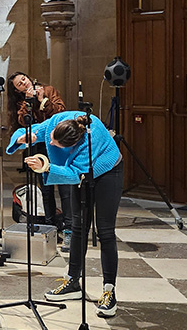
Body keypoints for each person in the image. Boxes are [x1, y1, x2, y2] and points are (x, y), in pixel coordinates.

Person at [7, 112, 123, 317]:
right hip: (82, 172)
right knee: (78, 227)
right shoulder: (58, 122)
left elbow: (75, 173)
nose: (50, 142)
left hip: (108, 171)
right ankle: (72, 281)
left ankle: (109, 291)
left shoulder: (89, 141)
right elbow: (34, 130)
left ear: (72, 145)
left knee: (105, 231)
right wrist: (23, 137)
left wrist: (47, 166)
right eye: (51, 136)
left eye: (56, 144)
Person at [6, 71, 72, 242]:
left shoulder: (49, 90)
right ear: (17, 91)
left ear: (29, 78)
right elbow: (23, 121)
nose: (24, 83)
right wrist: (29, 103)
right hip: (39, 146)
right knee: (46, 188)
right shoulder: (23, 102)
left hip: (58, 144)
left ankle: (68, 229)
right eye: (19, 84)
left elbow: (60, 111)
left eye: (24, 79)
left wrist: (43, 100)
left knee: (65, 187)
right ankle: (50, 228)